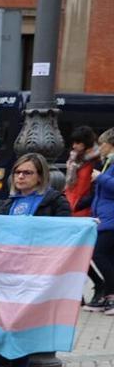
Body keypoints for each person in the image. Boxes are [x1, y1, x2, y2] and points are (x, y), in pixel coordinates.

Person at [0, 153, 72, 367]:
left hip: (37, 275)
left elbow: (65, 233)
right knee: (5, 321)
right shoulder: (8, 204)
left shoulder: (54, 201)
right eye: (18, 172)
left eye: (28, 173)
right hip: (10, 274)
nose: (21, 177)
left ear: (41, 176)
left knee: (19, 323)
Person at [89, 129, 114, 313]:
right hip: (103, 217)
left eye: (102, 144)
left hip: (111, 219)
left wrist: (100, 178)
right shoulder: (107, 162)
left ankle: (111, 295)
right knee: (107, 257)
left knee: (98, 254)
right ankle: (108, 295)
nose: (100, 148)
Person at [66, 126, 100, 217]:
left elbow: (95, 191)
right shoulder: (74, 159)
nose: (74, 146)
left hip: (84, 210)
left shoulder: (97, 162)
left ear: (86, 142)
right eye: (73, 142)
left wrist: (77, 206)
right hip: (71, 206)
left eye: (77, 142)